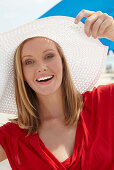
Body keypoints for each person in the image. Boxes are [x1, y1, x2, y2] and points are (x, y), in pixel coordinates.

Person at [0, 9, 114, 170]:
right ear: (22, 74)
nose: (41, 67)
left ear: (63, 62)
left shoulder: (104, 102)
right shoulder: (12, 137)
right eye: (28, 62)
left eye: (49, 56)